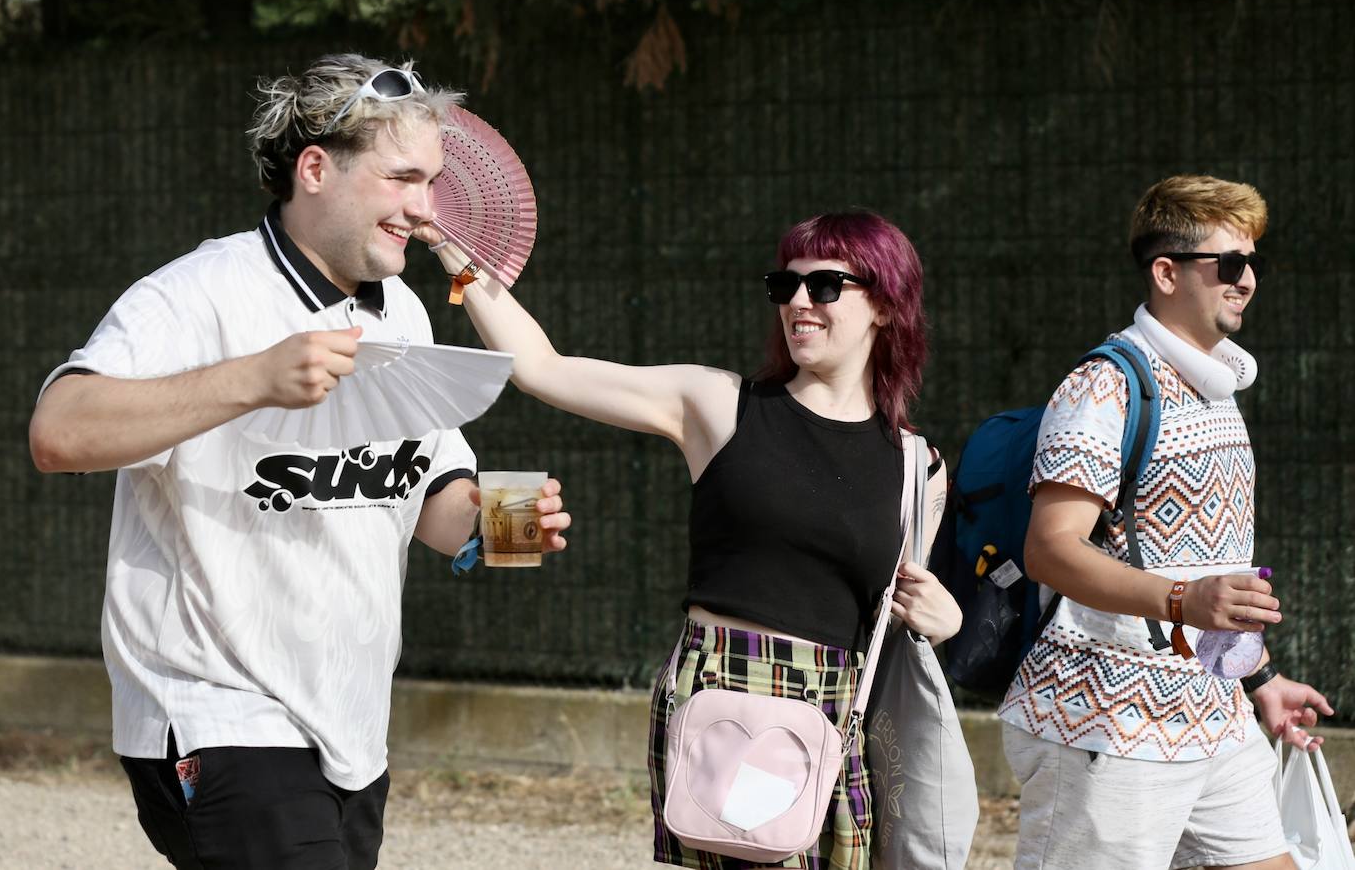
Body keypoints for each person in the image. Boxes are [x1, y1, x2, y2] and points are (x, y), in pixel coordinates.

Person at [27, 53, 571, 870]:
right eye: (403, 179)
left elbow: (429, 494)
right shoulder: (199, 292)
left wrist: (511, 522)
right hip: (218, 712)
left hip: (352, 725)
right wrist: (252, 378)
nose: (425, 208)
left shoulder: (406, 310)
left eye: (432, 182)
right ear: (315, 168)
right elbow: (57, 431)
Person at [420, 210, 962, 868]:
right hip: (724, 700)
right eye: (783, 285)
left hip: (833, 720)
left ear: (884, 303)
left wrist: (943, 620)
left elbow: (899, 624)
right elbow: (541, 367)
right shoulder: (718, 405)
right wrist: (454, 250)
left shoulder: (918, 469)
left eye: (823, 286)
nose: (797, 302)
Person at [998, 174, 1334, 870]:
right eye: (1231, 264)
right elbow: (1050, 548)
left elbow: (1209, 564)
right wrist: (1184, 601)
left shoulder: (1216, 387)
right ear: (1166, 271)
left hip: (1212, 713)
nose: (1247, 281)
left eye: (1254, 266)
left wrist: (1261, 678)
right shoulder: (1106, 385)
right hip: (1107, 720)